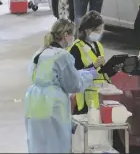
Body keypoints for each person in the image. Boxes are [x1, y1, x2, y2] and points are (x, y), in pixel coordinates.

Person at [24, 19, 98, 153]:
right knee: (57, 144)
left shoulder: (40, 52)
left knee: (38, 144)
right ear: (66, 35)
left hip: (33, 102)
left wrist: (84, 71)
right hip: (53, 105)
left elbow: (54, 76)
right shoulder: (62, 55)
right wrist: (91, 73)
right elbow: (73, 84)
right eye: (72, 35)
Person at [68, 11, 118, 114]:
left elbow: (102, 72)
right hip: (84, 100)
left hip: (100, 97)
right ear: (87, 30)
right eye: (98, 30)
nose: (100, 32)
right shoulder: (76, 48)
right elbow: (74, 75)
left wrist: (113, 69)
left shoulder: (98, 45)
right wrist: (93, 66)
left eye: (101, 29)